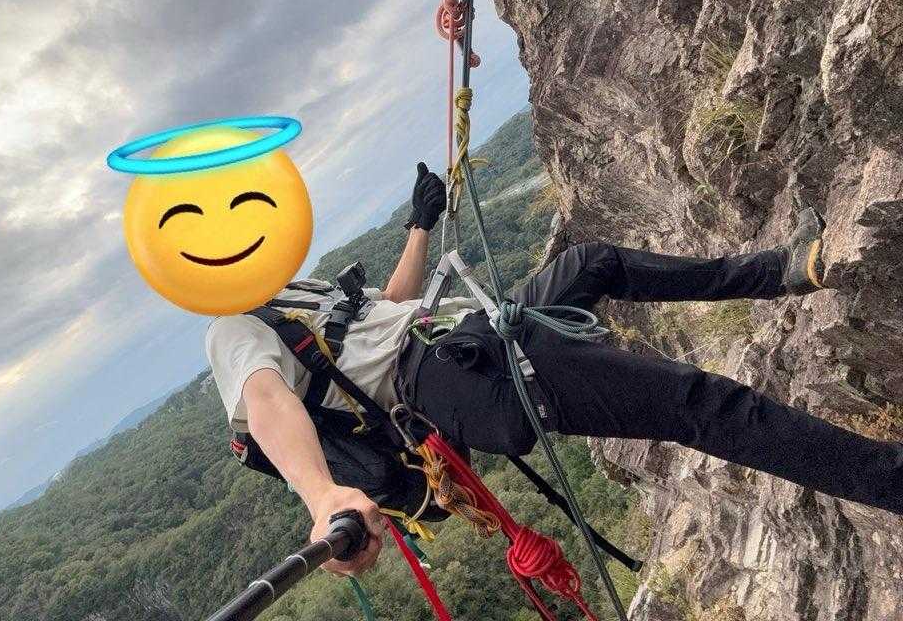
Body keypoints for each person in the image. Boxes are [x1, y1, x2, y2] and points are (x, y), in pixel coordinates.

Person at [207, 163, 903, 576]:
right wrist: (323, 496)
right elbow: (267, 403)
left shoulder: (292, 293)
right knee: (700, 404)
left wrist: (420, 224)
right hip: (450, 379)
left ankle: (782, 270)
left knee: (594, 262)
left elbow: (386, 310)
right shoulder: (234, 327)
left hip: (460, 343)